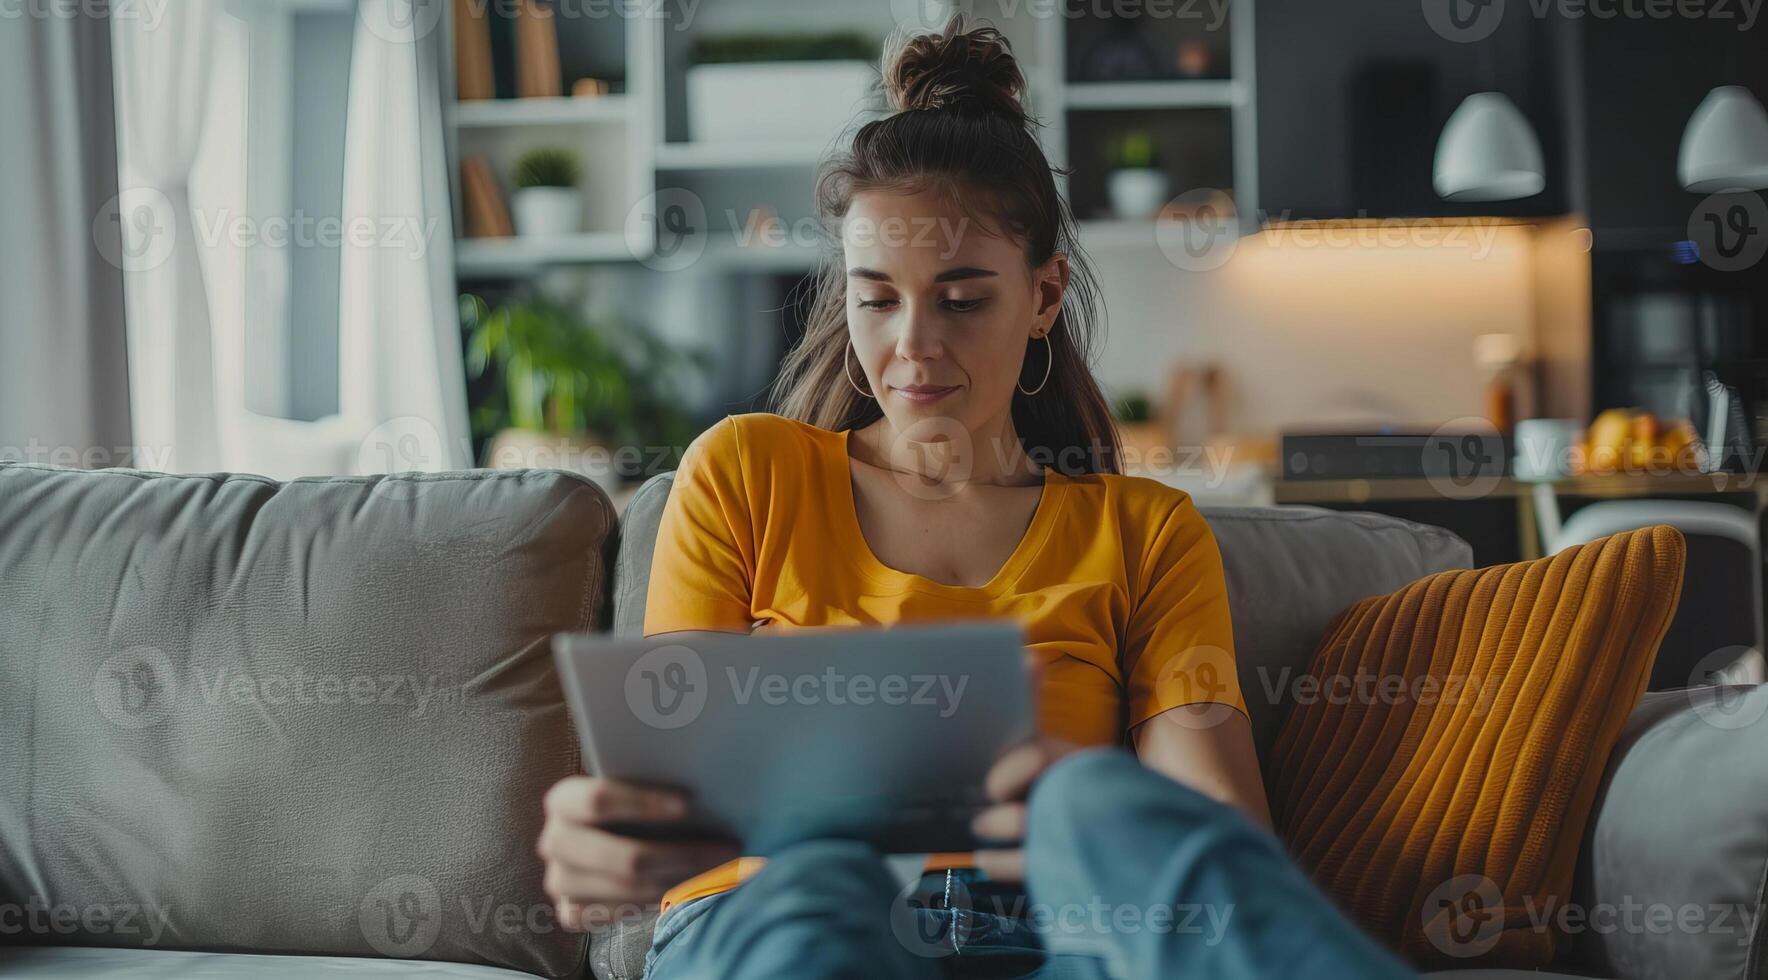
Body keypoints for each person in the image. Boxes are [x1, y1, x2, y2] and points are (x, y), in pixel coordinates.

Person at [536, 16, 1414, 980]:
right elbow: (679, 789)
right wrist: (617, 840)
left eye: (961, 299)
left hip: (1046, 926)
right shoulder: (747, 473)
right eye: (876, 299)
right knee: (820, 877)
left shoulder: (1143, 532)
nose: (913, 345)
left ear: (1044, 296)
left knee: (1100, 815)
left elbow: (1213, 831)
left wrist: (1077, 800)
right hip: (786, 914)